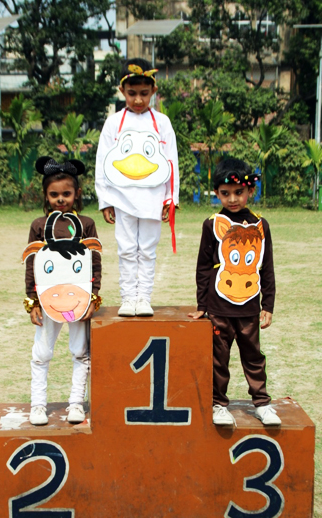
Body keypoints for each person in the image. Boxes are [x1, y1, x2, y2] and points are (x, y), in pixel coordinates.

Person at [189, 157, 281, 427]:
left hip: (250, 308)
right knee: (219, 359)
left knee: (253, 357)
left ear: (250, 190)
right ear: (216, 193)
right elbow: (203, 267)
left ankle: (262, 403)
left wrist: (268, 305)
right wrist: (202, 305)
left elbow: (266, 267)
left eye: (239, 192)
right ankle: (219, 404)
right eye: (225, 193)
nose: (232, 199)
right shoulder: (211, 224)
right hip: (218, 309)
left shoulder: (260, 225)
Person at [95, 58, 179, 317]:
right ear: (122, 91)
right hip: (122, 199)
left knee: (148, 250)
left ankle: (143, 298)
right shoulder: (113, 123)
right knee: (127, 249)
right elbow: (102, 162)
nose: (139, 100)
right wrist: (105, 200)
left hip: (154, 198)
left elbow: (171, 161)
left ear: (154, 91)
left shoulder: (162, 123)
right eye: (132, 93)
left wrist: (170, 198)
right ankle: (128, 298)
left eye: (144, 93)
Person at [23, 156, 102, 426]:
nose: (60, 199)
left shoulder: (87, 224)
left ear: (77, 193)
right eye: (54, 195)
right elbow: (32, 264)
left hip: (78, 300)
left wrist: (92, 297)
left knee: (80, 350)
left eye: (66, 194)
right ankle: (38, 405)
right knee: (42, 352)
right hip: (49, 300)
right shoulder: (38, 226)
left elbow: (94, 263)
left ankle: (76, 403)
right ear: (45, 196)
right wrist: (33, 301)